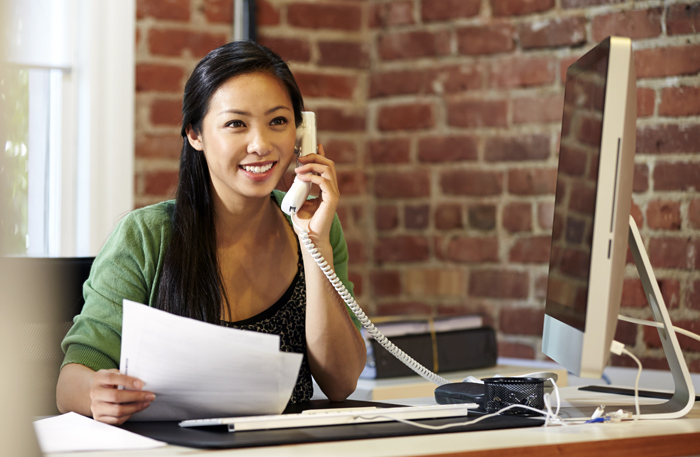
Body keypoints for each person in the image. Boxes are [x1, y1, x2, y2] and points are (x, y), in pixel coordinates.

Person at [55, 41, 367, 425]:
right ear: (195, 134)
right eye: (236, 123)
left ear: (302, 133)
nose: (261, 144)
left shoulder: (314, 223)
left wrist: (313, 243)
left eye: (278, 122)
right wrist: (95, 394)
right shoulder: (146, 236)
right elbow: (69, 383)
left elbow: (341, 381)